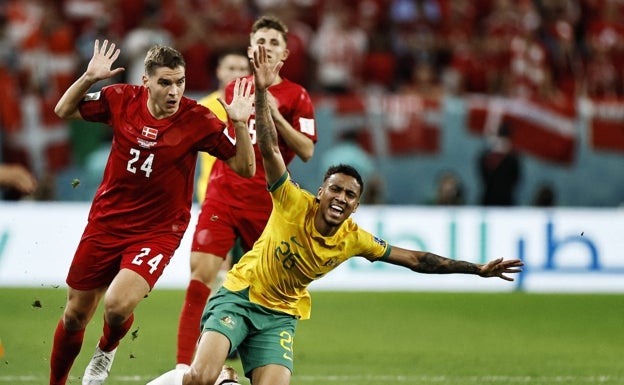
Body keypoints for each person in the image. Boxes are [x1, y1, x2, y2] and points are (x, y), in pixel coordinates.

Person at [147, 44, 524, 385]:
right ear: (321, 191)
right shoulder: (292, 200)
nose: (341, 198)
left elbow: (416, 259)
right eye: (336, 189)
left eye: (350, 194)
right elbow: (270, 150)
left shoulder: (353, 238)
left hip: (280, 316)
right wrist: (261, 95)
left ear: (356, 204)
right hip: (240, 296)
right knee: (199, 379)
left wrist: (476, 269)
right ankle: (222, 374)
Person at [48, 39, 256, 385]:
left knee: (116, 305)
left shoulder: (198, 119)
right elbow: (63, 110)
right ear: (146, 81)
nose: (174, 91)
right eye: (165, 82)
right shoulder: (121, 99)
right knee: (74, 315)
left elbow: (245, 167)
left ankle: (106, 348)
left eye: (180, 82)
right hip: (106, 222)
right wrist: (88, 78)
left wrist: (237, 124)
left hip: (158, 231)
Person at [175, 15, 316, 370]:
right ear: (251, 48)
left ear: (284, 54)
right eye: (260, 41)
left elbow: (307, 150)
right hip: (222, 195)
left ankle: (251, 357)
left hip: (267, 205)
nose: (266, 47)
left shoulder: (297, 95)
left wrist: (275, 114)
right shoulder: (234, 89)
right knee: (200, 275)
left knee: (265, 291)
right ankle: (182, 369)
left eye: (273, 42)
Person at [477, 123, 522, 206]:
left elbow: (515, 179)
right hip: (489, 200)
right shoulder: (486, 158)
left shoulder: (512, 159)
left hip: (506, 201)